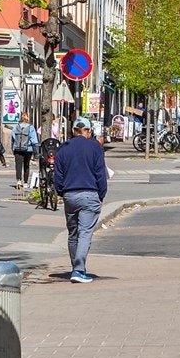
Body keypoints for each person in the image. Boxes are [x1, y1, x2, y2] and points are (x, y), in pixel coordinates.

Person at [53, 116, 108, 284]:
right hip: (90, 193)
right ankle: (78, 270)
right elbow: (100, 172)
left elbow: (58, 175)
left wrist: (62, 192)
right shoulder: (95, 147)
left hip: (70, 194)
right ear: (89, 131)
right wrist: (101, 194)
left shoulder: (63, 148)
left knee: (73, 233)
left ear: (73, 131)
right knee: (85, 233)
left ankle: (76, 268)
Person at [11, 113, 39, 190]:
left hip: (17, 149)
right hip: (28, 149)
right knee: (26, 165)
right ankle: (26, 182)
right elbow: (34, 140)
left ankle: (18, 180)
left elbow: (13, 138)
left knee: (18, 165)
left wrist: (13, 148)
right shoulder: (31, 127)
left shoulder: (16, 127)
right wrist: (36, 152)